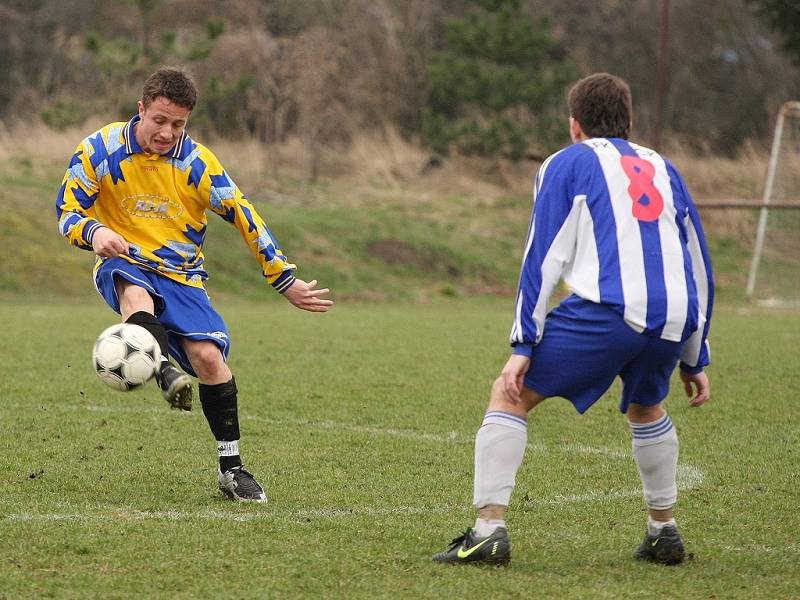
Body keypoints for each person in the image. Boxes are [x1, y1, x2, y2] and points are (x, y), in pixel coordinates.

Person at [432, 72, 713, 566]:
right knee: (647, 407)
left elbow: (543, 257)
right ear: (630, 122)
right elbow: (698, 262)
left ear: (574, 125)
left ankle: (488, 531)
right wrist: (694, 355)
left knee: (509, 395)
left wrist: (523, 344)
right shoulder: (664, 167)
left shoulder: (566, 163)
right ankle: (664, 531)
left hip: (607, 311)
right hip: (673, 316)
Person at [56, 66, 333, 503]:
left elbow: (244, 214)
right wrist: (96, 233)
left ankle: (232, 469)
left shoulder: (197, 163)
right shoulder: (100, 148)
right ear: (141, 109)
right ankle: (162, 368)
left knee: (208, 359)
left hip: (183, 275)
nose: (168, 132)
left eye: (178, 124)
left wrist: (283, 278)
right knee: (134, 289)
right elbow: (68, 210)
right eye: (160, 121)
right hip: (123, 260)